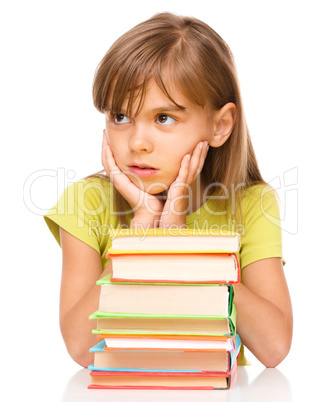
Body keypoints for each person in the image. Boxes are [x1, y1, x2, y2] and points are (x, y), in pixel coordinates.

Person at [44, 12, 293, 368]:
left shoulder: (251, 203)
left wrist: (183, 245)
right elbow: (80, 348)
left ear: (220, 125)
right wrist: (141, 234)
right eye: (120, 116)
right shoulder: (85, 202)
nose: (137, 142)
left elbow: (274, 347)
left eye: (163, 118)